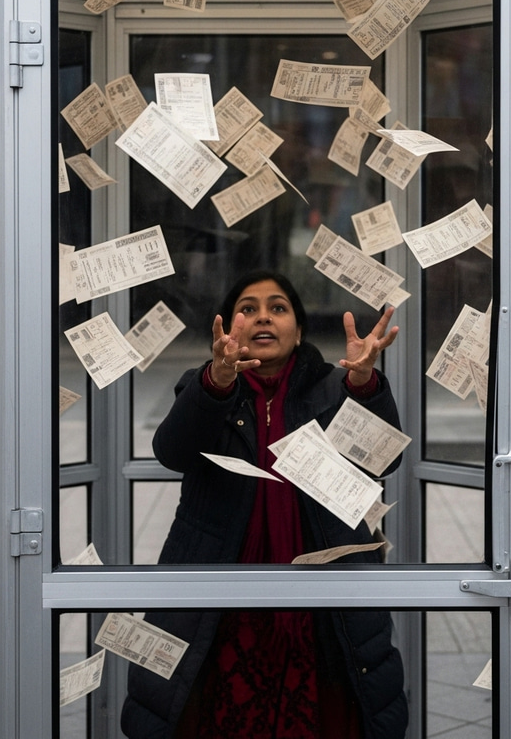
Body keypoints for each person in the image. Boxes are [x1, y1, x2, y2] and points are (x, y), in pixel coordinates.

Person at [121, 270, 408, 739]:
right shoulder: (205, 386)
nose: (263, 318)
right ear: (228, 327)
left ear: (298, 330)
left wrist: (363, 382)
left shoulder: (336, 388)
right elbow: (172, 452)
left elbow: (386, 460)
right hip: (220, 602)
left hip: (321, 609)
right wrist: (217, 381)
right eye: (248, 308)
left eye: (278, 308)